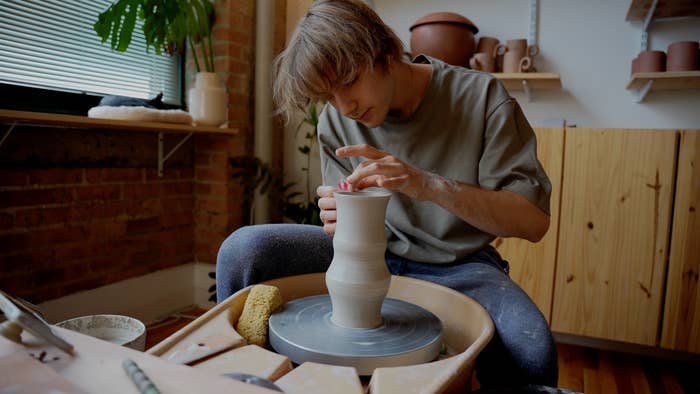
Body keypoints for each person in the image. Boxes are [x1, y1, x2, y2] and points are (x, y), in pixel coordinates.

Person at [217, 0, 558, 389]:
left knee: (532, 350)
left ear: (384, 49)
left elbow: (534, 221)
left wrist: (428, 185)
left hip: (459, 263)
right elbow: (344, 214)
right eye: (328, 96)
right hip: (369, 252)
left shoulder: (482, 99)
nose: (344, 107)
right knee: (244, 250)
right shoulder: (337, 120)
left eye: (347, 82)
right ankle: (234, 380)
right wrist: (337, 213)